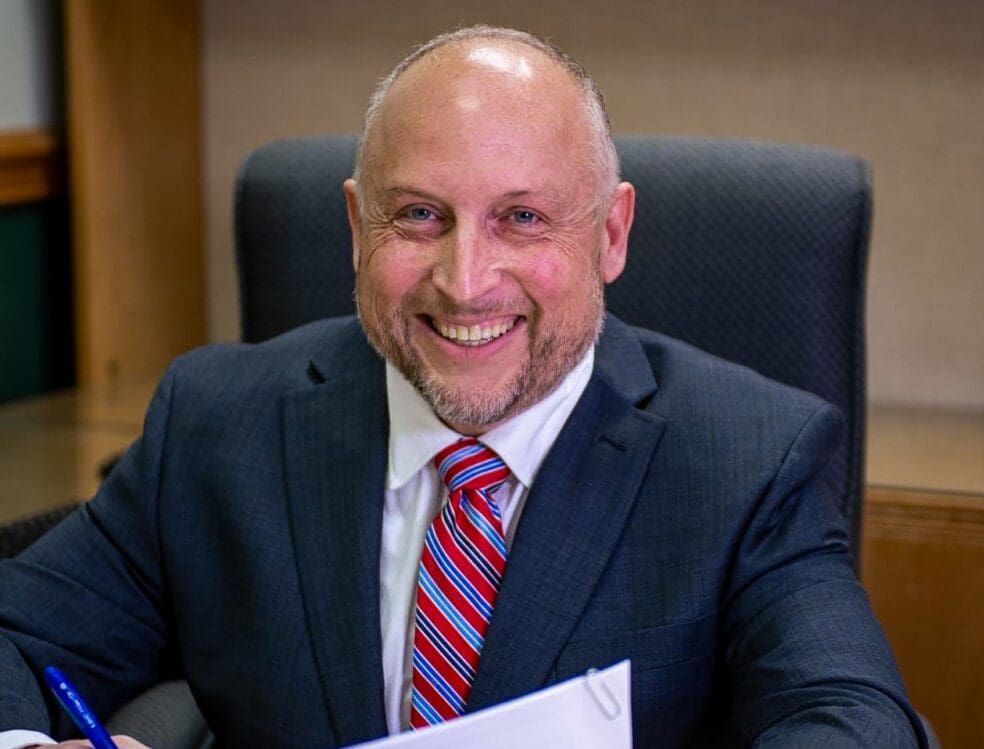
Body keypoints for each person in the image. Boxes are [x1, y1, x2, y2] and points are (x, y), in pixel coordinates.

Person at [0, 26, 926, 748]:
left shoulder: (751, 456)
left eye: (521, 218)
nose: (464, 278)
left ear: (610, 233)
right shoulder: (217, 422)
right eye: (419, 216)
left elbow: (854, 717)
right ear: (359, 225)